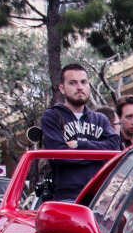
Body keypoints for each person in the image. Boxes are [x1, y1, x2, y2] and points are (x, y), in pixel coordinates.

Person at [40, 64, 119, 201]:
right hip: (69, 197)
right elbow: (60, 155)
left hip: (100, 196)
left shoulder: (100, 119)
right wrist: (97, 156)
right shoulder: (52, 116)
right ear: (62, 88)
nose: (79, 87)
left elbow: (113, 148)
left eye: (83, 82)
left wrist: (78, 145)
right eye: (72, 83)